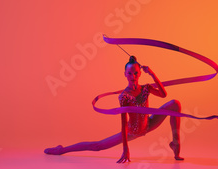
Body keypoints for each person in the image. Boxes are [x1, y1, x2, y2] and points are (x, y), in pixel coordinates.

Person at [44, 55, 185, 162]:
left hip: (148, 124)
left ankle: (175, 143)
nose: (133, 76)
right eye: (129, 73)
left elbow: (163, 94)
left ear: (140, 73)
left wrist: (153, 74)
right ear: (125, 74)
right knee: (97, 146)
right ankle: (62, 149)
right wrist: (125, 149)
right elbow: (123, 123)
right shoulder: (124, 96)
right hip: (133, 131)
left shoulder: (146, 88)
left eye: (135, 73)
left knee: (175, 104)